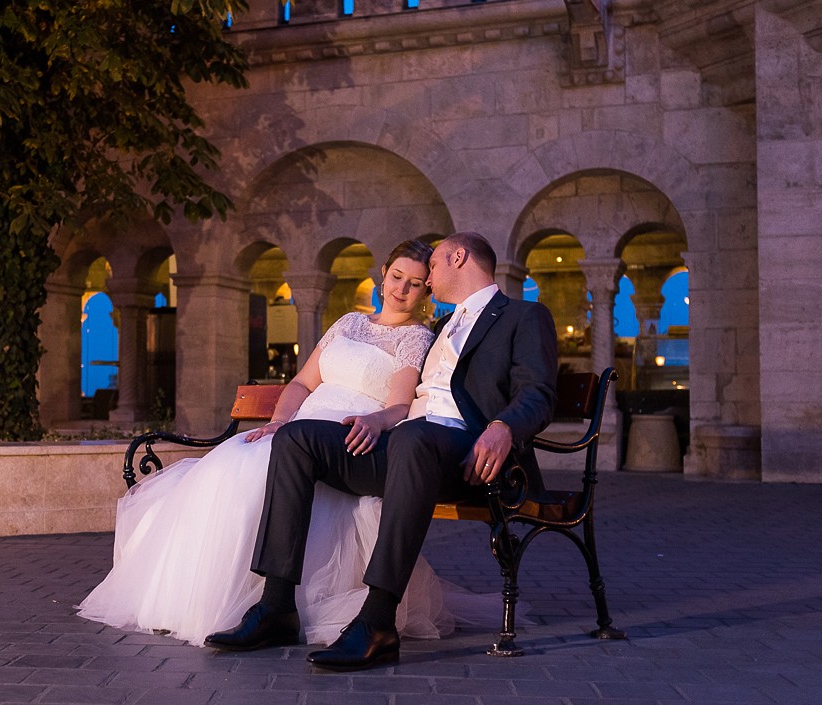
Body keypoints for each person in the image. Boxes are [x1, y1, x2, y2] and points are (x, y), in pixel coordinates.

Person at [78, 237, 495, 646]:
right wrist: (278, 421)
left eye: (415, 283)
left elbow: (399, 406)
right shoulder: (348, 323)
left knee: (256, 474)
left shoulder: (416, 337)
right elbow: (301, 383)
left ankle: (275, 605)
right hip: (299, 426)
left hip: (346, 433)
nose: (402, 289)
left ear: (425, 291)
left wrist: (376, 421)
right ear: (383, 275)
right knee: (226, 468)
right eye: (397, 276)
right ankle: (203, 601)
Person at [205, 231, 558, 671]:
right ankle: (276, 607)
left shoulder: (523, 316)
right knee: (299, 439)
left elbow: (540, 392)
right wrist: (375, 420)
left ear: (459, 256)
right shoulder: (443, 328)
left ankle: (376, 623)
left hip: (468, 455)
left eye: (432, 268)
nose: (426, 278)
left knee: (414, 437)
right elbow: (403, 403)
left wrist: (503, 426)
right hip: (410, 444)